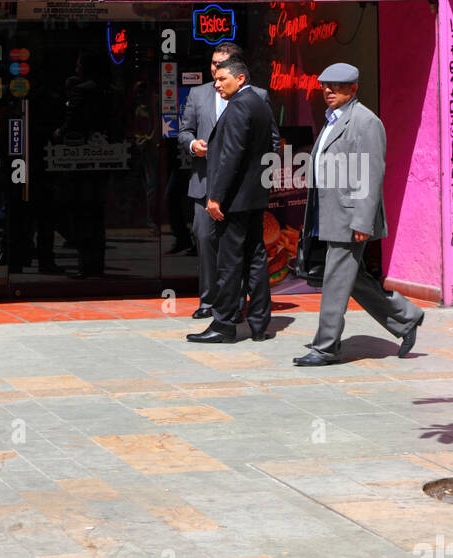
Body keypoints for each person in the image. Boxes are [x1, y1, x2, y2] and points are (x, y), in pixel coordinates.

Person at [293, 63, 424, 367]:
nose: (329, 91)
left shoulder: (365, 122)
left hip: (350, 217)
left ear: (353, 89)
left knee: (336, 280)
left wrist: (363, 220)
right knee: (352, 280)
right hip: (329, 215)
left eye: (337, 86)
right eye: (325, 85)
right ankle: (406, 319)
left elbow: (371, 173)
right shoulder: (332, 120)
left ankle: (326, 347)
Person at [179, 43, 278, 319]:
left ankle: (234, 306)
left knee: (240, 248)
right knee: (206, 241)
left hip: (240, 191)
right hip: (204, 184)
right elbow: (184, 130)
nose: (215, 71)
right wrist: (192, 145)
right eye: (213, 64)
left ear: (238, 69)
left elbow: (270, 140)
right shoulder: (199, 93)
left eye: (221, 66)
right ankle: (210, 302)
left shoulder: (257, 96)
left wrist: (251, 176)